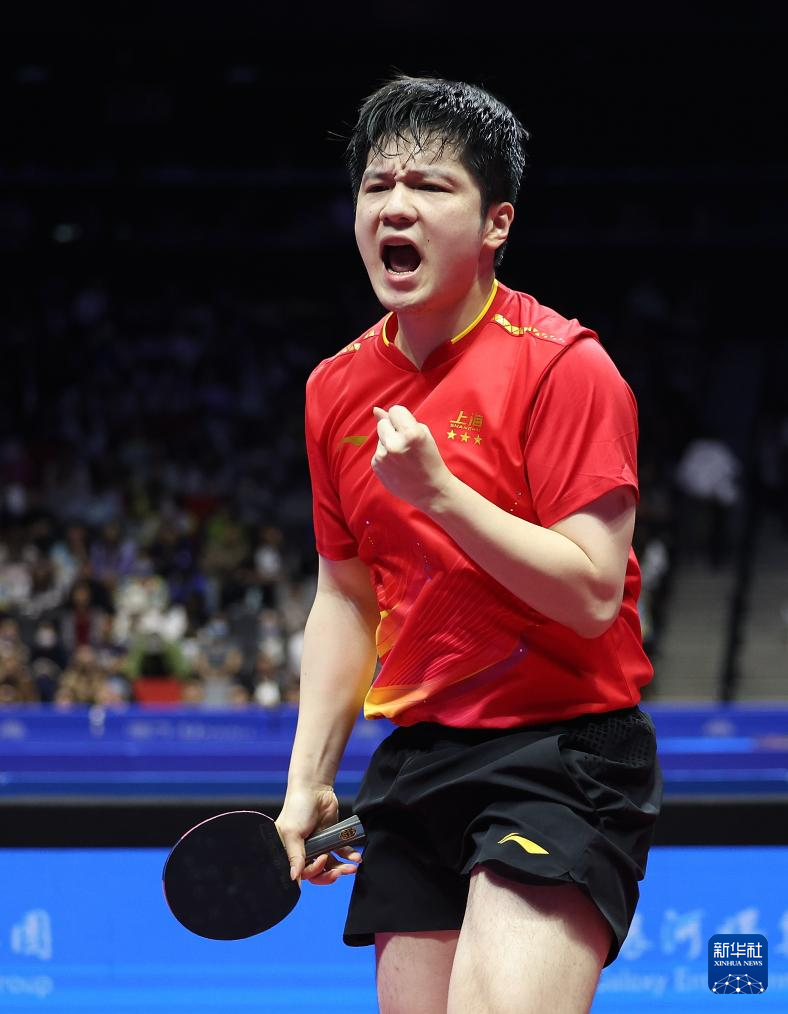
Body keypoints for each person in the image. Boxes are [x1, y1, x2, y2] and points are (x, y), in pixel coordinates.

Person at [275, 75, 662, 1014]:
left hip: (560, 753)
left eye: (430, 186)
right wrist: (308, 781)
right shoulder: (335, 389)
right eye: (377, 185)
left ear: (496, 223)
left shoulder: (566, 367)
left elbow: (591, 594)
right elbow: (346, 596)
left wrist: (441, 495)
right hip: (418, 759)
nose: (395, 206)